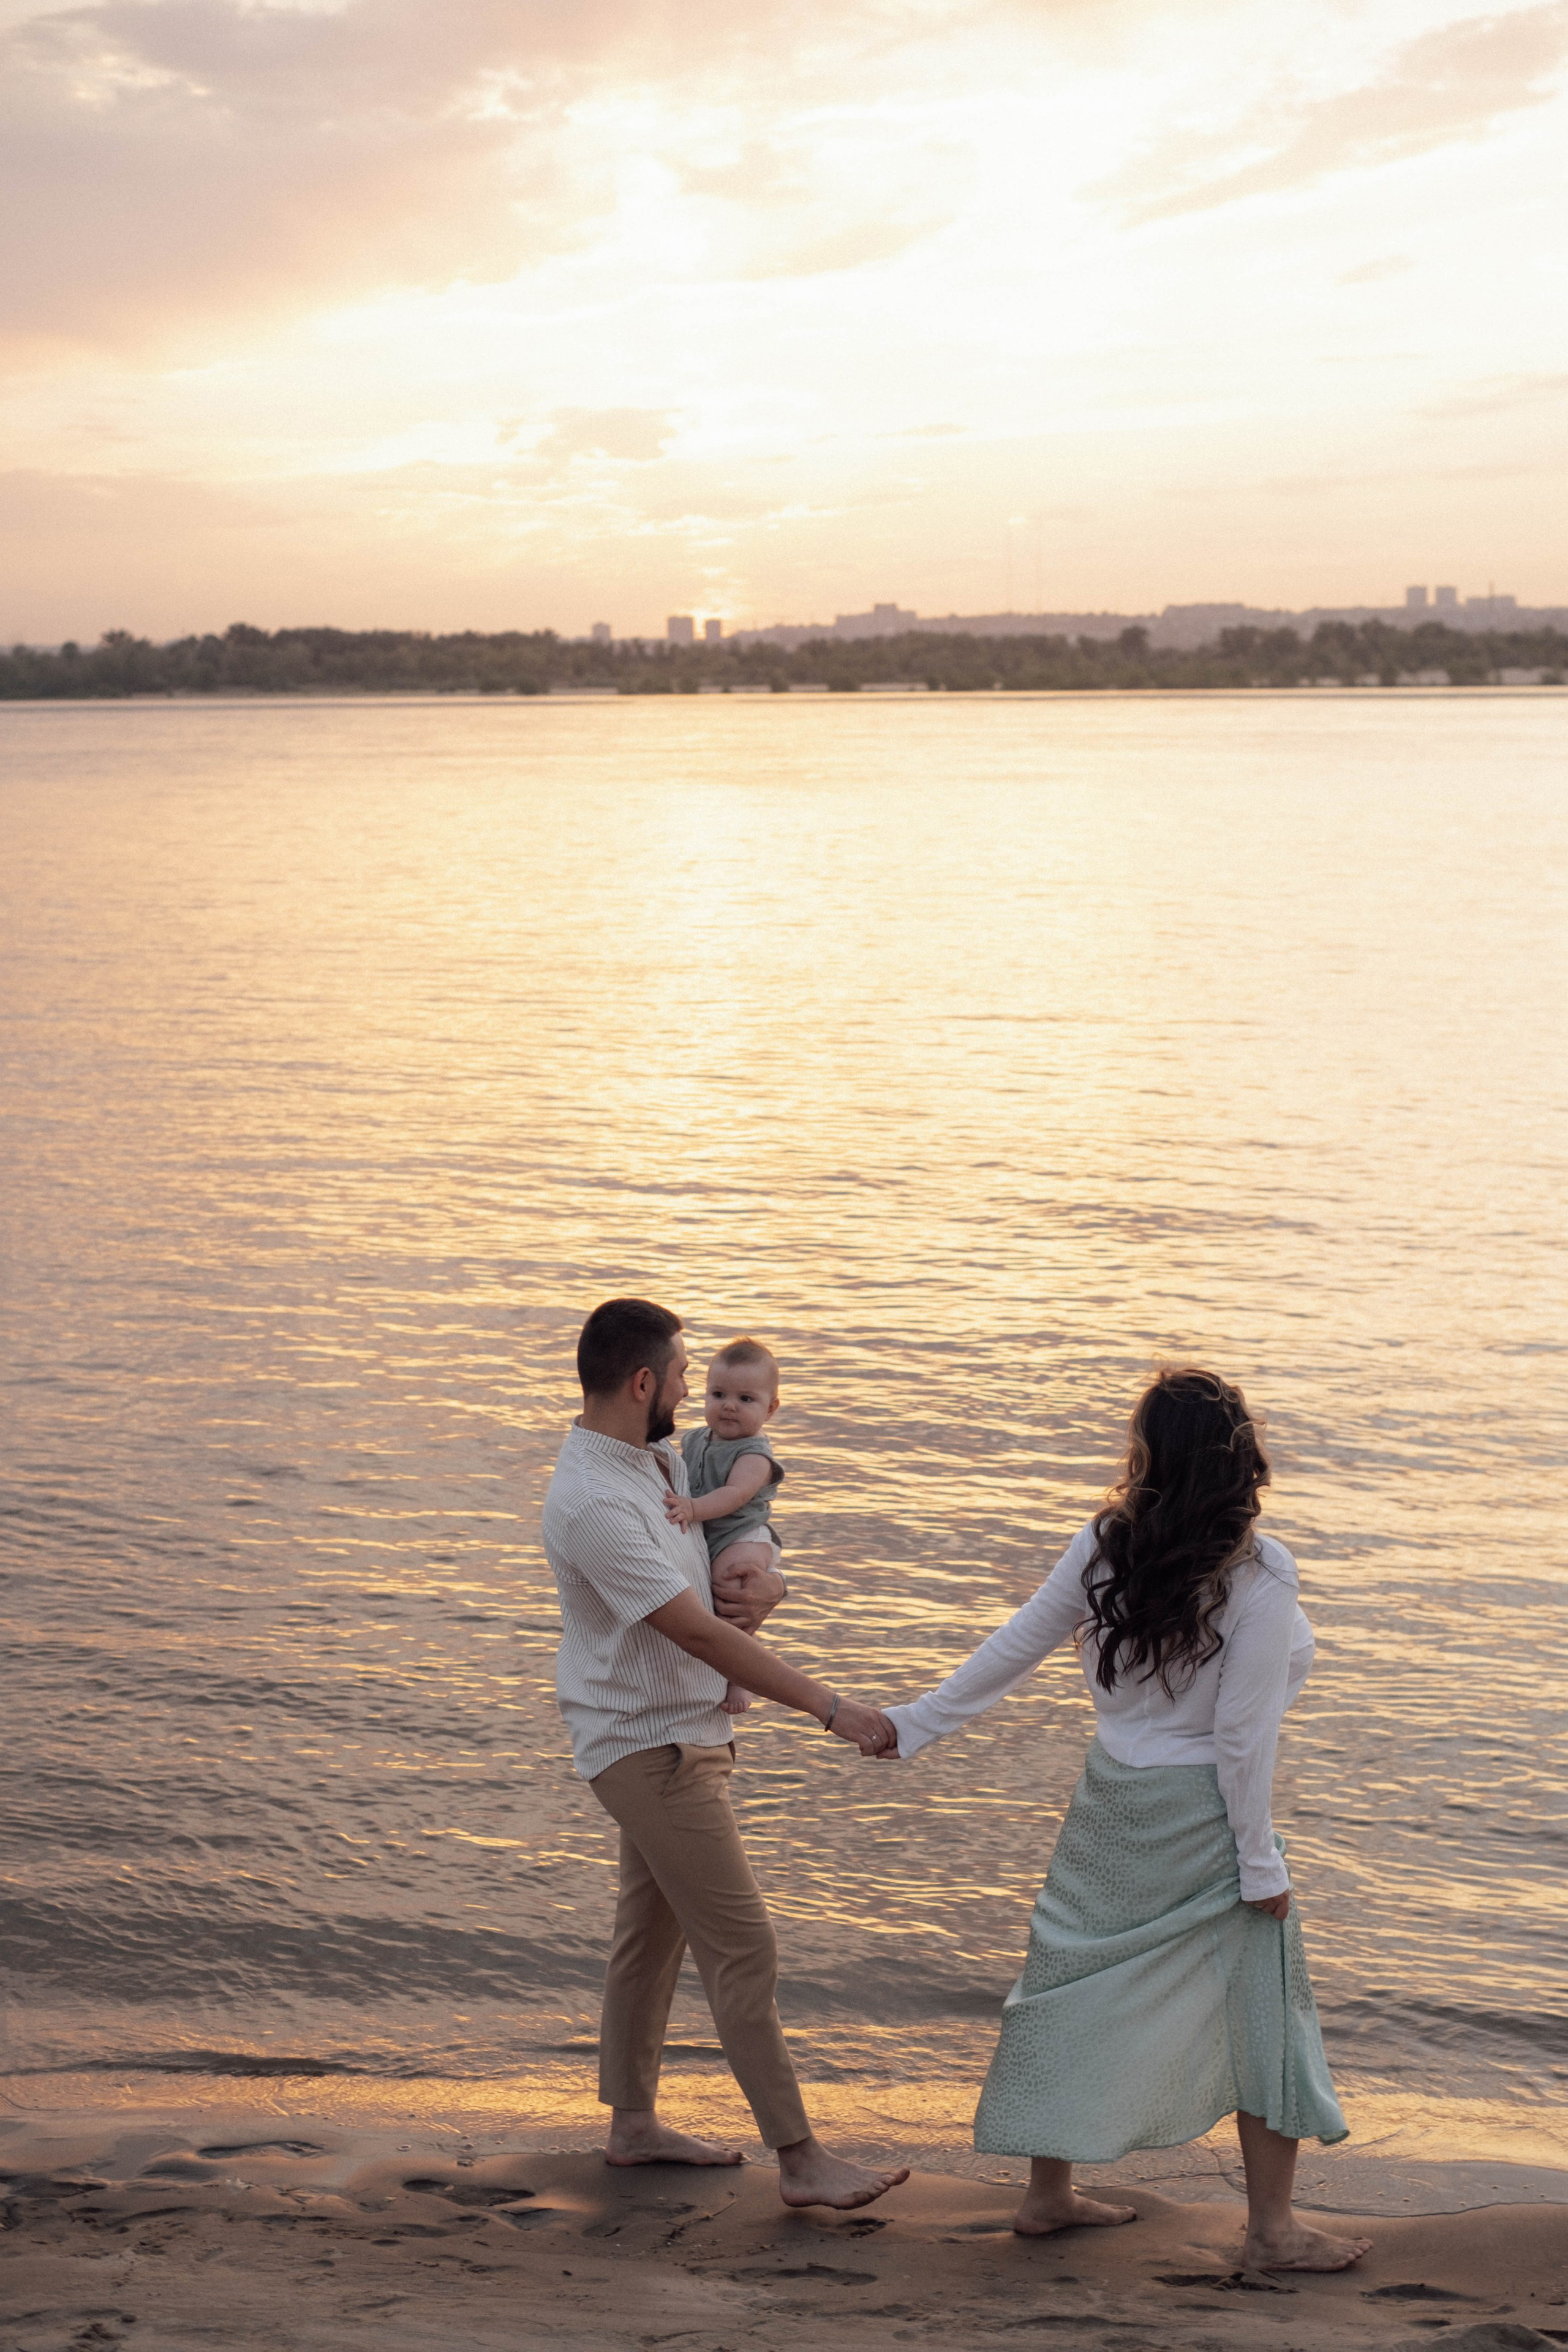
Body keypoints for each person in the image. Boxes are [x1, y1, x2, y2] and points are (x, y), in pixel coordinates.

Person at [879, 1366, 1372, 2277]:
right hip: (1201, 1819)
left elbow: (1018, 1644)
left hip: (1110, 1799)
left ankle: (1048, 2193)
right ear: (1240, 1460)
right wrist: (1259, 1864)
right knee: (1264, 2006)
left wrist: (918, 1724)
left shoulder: (1110, 1543)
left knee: (1073, 1981)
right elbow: (1241, 1739)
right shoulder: (1261, 1572)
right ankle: (1270, 2229)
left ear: (1147, 1458)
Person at [540, 1296, 909, 2211]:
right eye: (678, 1376)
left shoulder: (650, 1461)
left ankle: (632, 2127)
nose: (690, 1391)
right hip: (651, 1749)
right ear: (641, 1383)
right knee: (745, 1948)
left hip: (683, 1733)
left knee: (650, 1938)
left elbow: (727, 1552)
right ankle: (800, 2160)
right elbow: (697, 1636)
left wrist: (770, 1581)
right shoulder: (593, 1502)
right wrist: (832, 1707)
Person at [665, 1337, 786, 1714]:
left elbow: (735, 1495)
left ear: (770, 1409)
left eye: (746, 1400)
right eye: (718, 1394)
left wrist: (693, 1508)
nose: (729, 1406)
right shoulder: (694, 1439)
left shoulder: (755, 1454)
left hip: (742, 1535)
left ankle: (738, 1676)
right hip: (709, 1528)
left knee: (731, 1585)